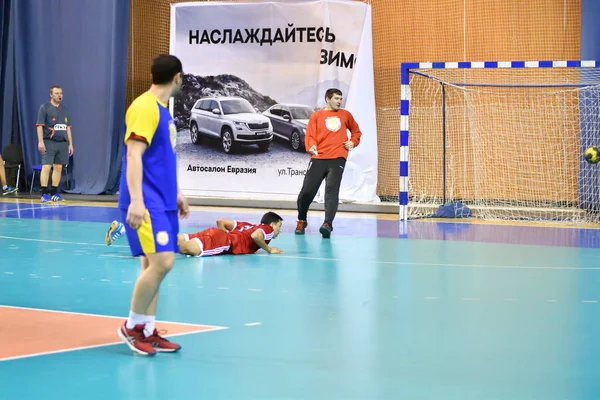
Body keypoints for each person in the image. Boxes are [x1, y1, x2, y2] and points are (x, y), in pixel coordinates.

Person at [116, 54, 189, 357]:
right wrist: (135, 200)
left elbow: (161, 158)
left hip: (163, 199)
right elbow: (134, 154)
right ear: (176, 77)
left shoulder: (163, 112)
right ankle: (132, 327)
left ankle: (147, 329)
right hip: (146, 201)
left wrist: (178, 192)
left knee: (151, 265)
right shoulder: (144, 107)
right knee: (163, 262)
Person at [295, 88, 362, 238]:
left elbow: (356, 132)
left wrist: (353, 142)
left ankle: (327, 224)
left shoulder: (346, 115)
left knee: (331, 190)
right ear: (327, 99)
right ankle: (301, 220)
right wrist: (311, 146)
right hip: (318, 158)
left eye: (340, 98)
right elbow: (310, 135)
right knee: (307, 191)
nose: (339, 101)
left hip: (338, 157)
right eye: (336, 98)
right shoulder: (316, 116)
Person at [106, 211, 284, 257]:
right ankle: (149, 247)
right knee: (183, 248)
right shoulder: (265, 229)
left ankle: (127, 229)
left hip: (214, 233)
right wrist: (269, 250)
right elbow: (256, 237)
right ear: (272, 224)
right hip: (224, 241)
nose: (279, 231)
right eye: (279, 227)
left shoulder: (247, 225)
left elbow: (221, 222)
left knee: (178, 238)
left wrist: (217, 235)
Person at [36, 85, 74, 203]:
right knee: (46, 167)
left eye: (61, 93)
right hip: (49, 142)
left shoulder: (65, 110)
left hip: (62, 143)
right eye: (57, 93)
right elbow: (39, 126)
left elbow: (68, 129)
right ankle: (44, 193)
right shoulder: (45, 108)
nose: (59, 95)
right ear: (51, 95)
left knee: (58, 167)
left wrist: (70, 144)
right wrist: (41, 142)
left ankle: (54, 193)